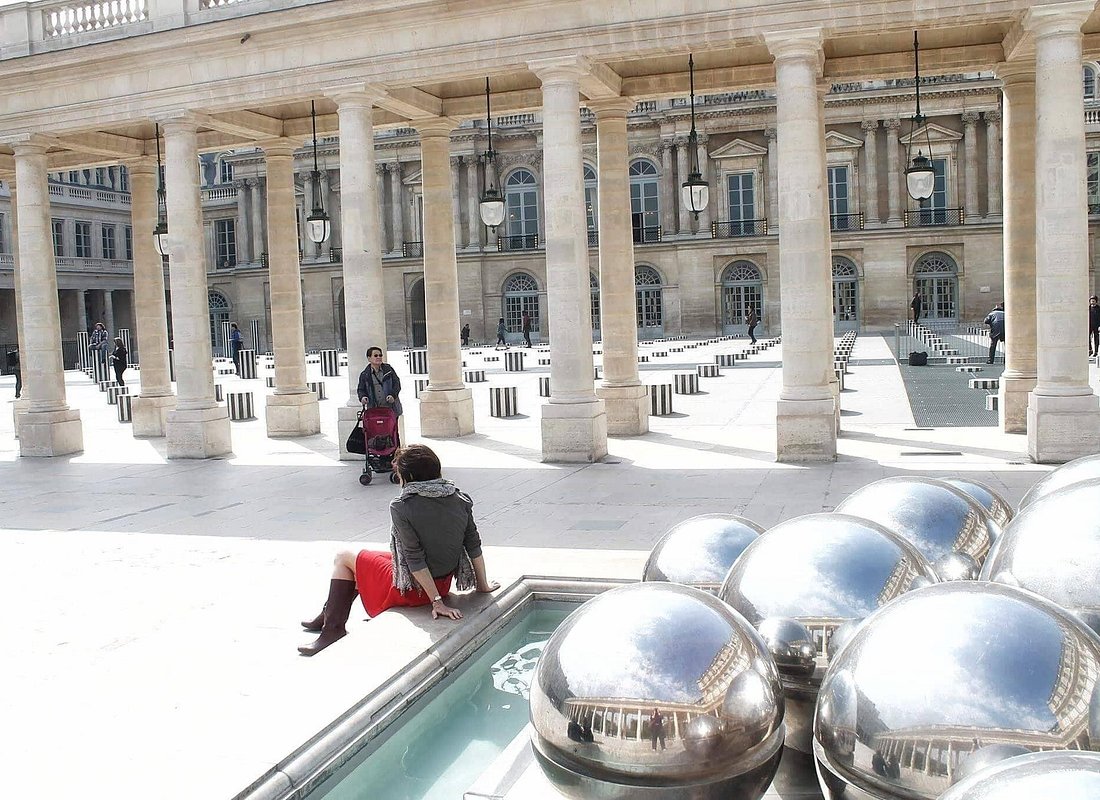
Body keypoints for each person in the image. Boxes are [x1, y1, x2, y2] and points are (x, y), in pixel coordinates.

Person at [298, 444, 500, 655]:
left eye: (398, 470)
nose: (396, 473)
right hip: (440, 583)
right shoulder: (460, 498)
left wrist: (437, 603)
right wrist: (482, 585)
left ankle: (333, 627)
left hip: (414, 589)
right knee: (365, 558)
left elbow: (414, 558)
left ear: (409, 475)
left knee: (343, 558)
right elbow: (473, 544)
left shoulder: (402, 505)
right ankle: (328, 614)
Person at [356, 346, 402, 418]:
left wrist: (393, 395)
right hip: (374, 410)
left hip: (391, 409)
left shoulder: (389, 370)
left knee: (391, 429)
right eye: (375, 355)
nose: (378, 357)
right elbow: (361, 389)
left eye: (380, 355)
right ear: (369, 358)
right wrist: (363, 397)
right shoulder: (365, 374)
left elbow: (397, 384)